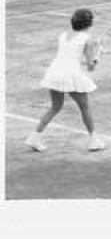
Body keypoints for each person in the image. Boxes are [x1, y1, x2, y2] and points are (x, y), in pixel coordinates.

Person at [25, 8, 106, 152]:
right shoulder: (87, 39)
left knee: (55, 107)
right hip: (69, 75)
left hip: (55, 72)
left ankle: (34, 137)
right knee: (84, 107)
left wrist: (92, 53)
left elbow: (69, 57)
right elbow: (91, 68)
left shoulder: (63, 35)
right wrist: (96, 57)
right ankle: (94, 141)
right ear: (89, 23)